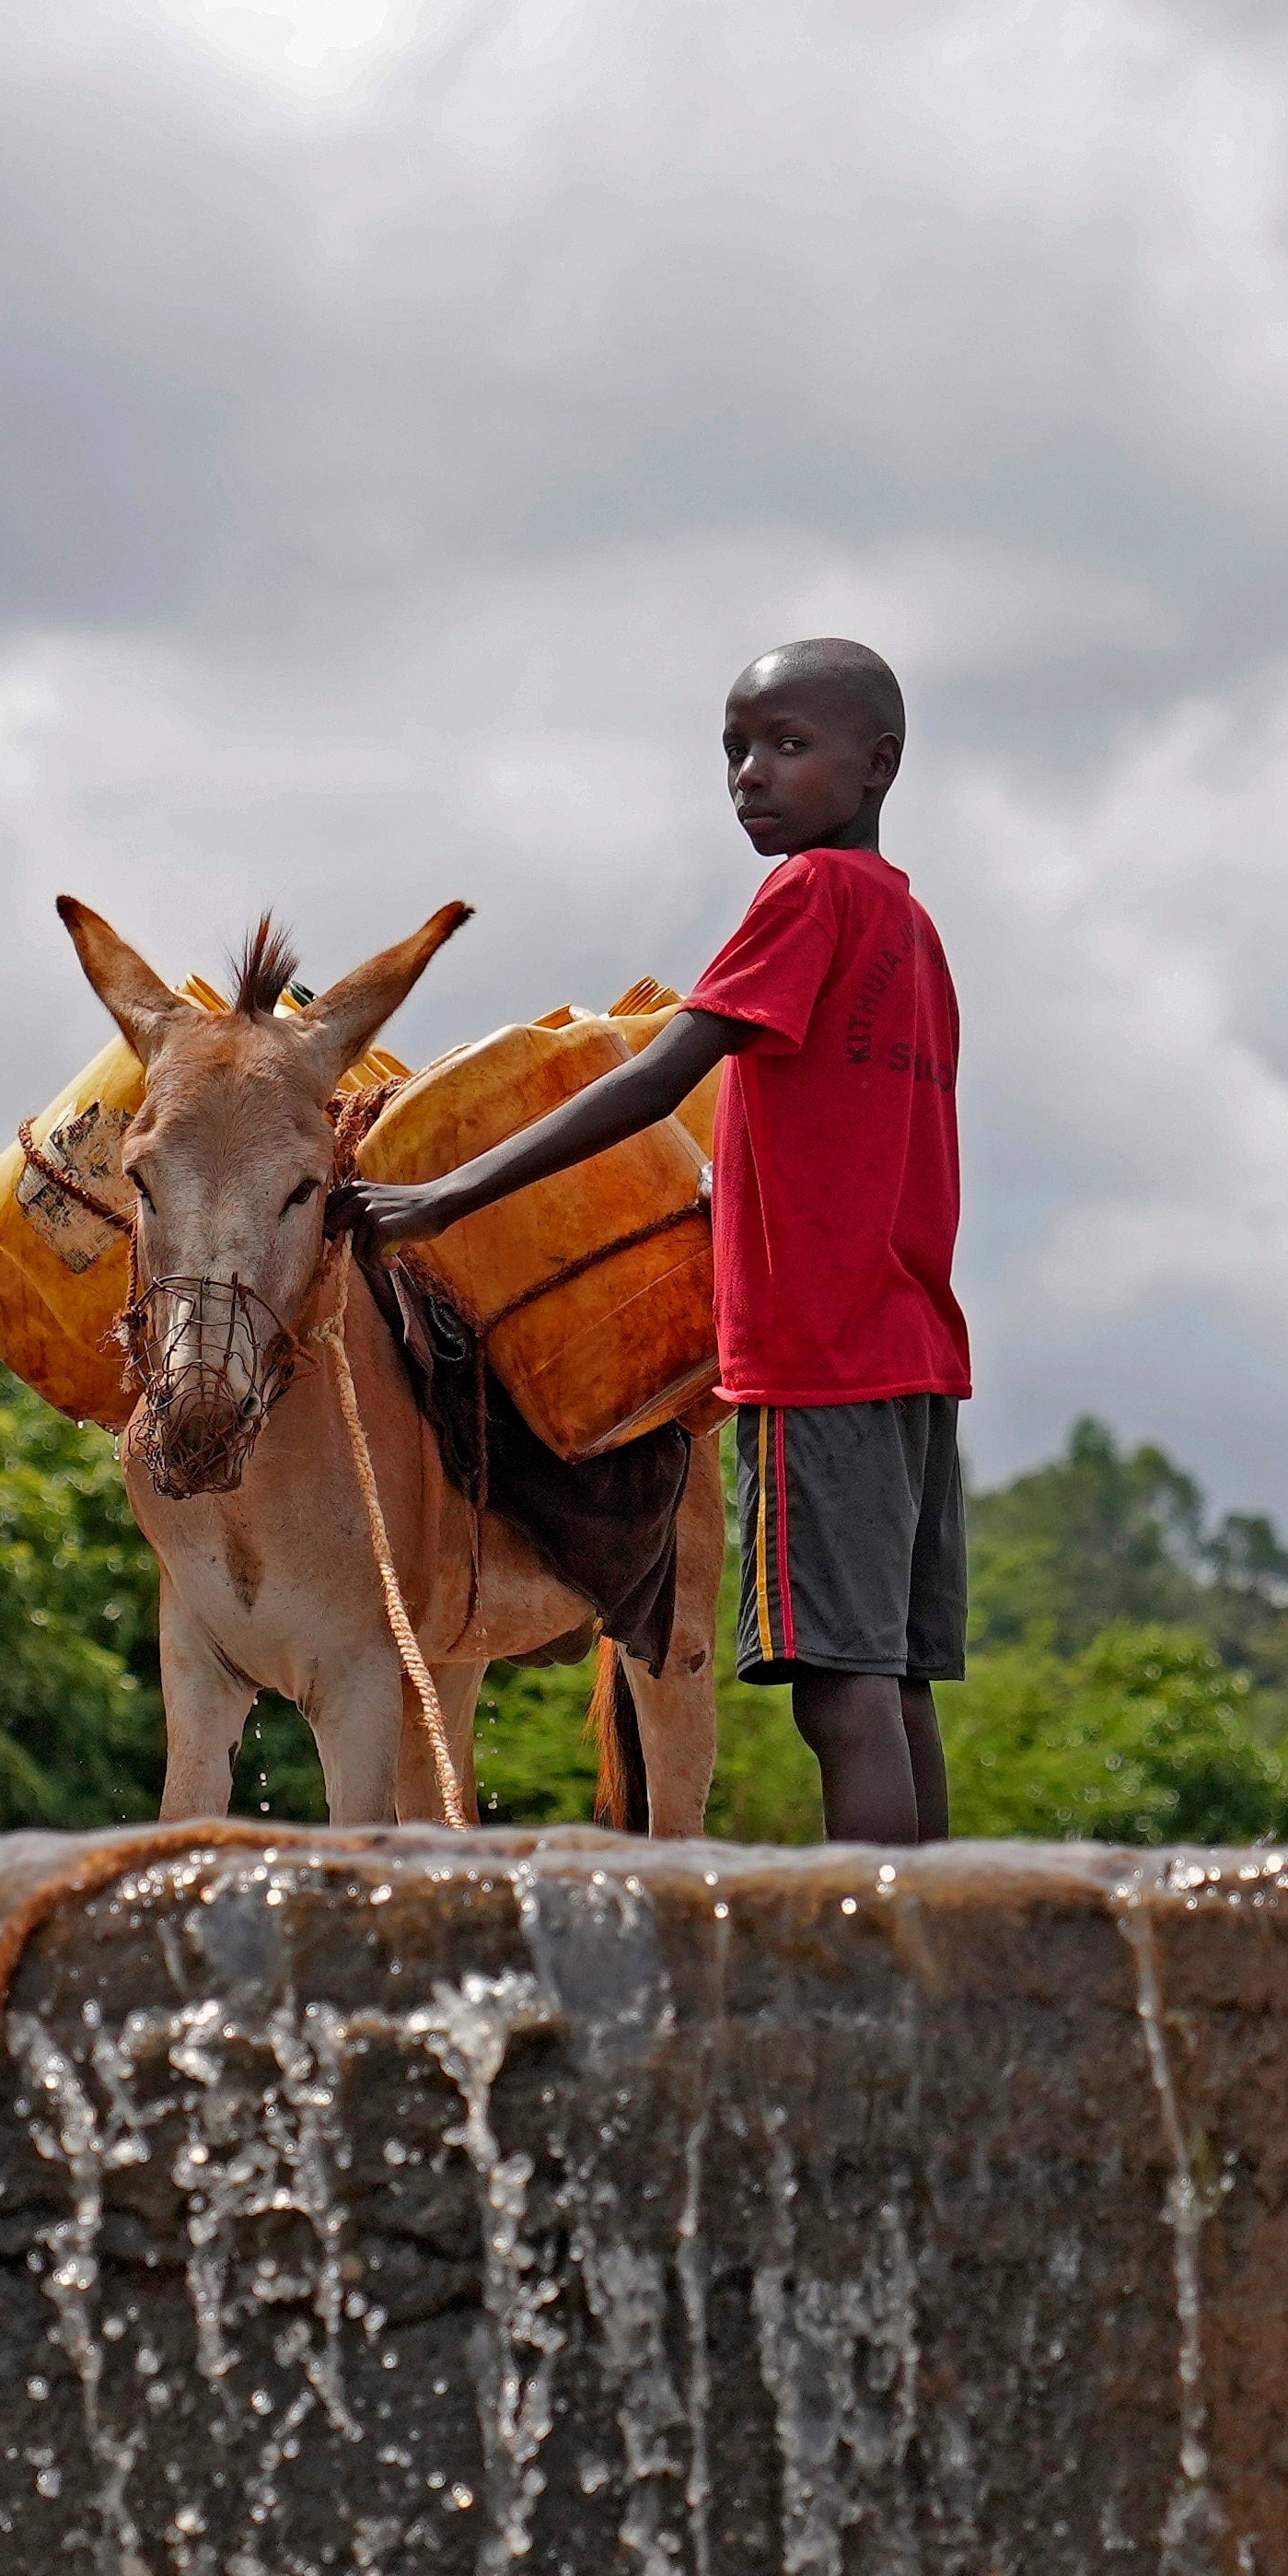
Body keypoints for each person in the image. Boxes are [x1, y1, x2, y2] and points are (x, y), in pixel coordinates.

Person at [345, 636, 969, 1843]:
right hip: (914, 1354)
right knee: (893, 1684)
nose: (750, 776)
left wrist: (447, 1195)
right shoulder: (911, 926)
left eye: (788, 747)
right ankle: (951, 1953)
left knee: (839, 1690)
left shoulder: (807, 897)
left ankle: (876, 1965)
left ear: (878, 764)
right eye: (735, 750)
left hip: (817, 1355)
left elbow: (659, 1075)